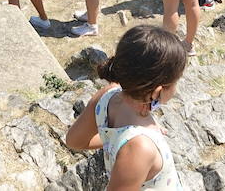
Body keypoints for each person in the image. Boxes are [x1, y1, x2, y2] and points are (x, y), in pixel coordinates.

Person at [64, 24, 187, 190]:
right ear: (157, 91)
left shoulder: (107, 95)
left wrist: (116, 142)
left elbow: (74, 140)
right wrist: (134, 141)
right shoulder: (140, 147)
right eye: (175, 82)